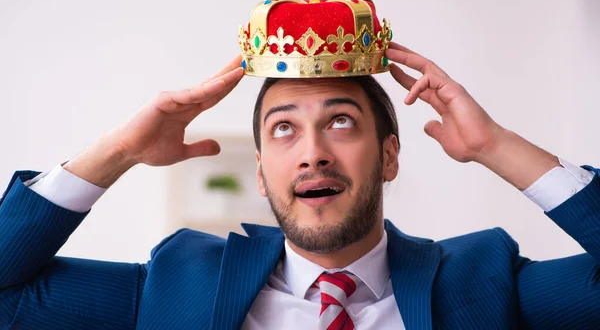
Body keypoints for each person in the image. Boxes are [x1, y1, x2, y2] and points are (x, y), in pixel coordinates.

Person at [1, 43, 599, 330]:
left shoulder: (485, 282)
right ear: (261, 173)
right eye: (284, 130)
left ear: (389, 155)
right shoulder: (176, 282)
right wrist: (119, 151)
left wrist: (496, 146)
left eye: (341, 122)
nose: (313, 152)